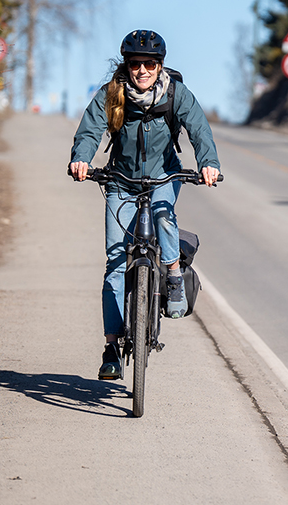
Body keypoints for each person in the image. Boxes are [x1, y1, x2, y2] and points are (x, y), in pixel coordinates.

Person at [69, 29, 220, 380]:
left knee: (164, 217)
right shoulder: (113, 93)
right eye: (136, 64)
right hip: (121, 181)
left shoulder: (175, 94)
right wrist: (81, 159)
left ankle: (173, 275)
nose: (142, 70)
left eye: (150, 64)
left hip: (163, 177)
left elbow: (199, 130)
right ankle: (111, 348)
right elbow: (90, 130)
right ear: (127, 65)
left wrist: (209, 164)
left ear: (159, 66)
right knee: (115, 262)